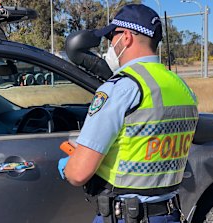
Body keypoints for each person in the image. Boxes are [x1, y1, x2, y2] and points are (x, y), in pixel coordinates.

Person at [58, 3, 198, 223]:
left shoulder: (120, 89)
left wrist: (69, 164)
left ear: (126, 37)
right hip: (169, 214)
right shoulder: (183, 89)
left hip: (126, 216)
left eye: (111, 38)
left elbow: (78, 174)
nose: (111, 46)